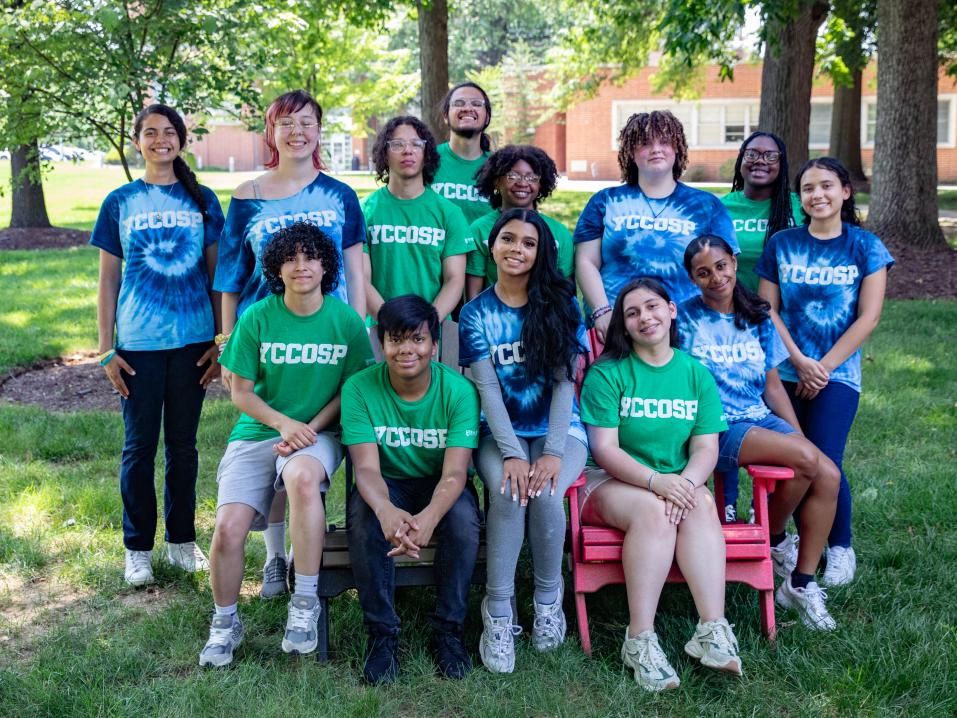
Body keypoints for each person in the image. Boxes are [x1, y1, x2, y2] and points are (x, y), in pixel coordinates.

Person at [213, 90, 367, 598]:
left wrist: (360, 328)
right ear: (271, 133)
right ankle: (275, 556)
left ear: (320, 131)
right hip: (268, 335)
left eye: (307, 122)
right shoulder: (248, 194)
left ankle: (301, 560)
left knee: (305, 446)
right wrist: (228, 336)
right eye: (287, 123)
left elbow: (356, 265)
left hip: (327, 337)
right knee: (270, 432)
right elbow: (232, 273)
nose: (297, 131)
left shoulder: (340, 194)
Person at [199, 222, 374, 667]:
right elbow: (239, 391)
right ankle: (225, 622)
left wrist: (307, 429)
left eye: (310, 256)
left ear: (325, 265)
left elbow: (351, 390)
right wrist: (283, 424)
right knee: (228, 530)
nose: (301, 266)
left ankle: (306, 603)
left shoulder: (346, 321)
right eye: (290, 258)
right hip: (259, 431)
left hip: (318, 435)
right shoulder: (257, 317)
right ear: (276, 266)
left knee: (300, 477)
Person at [579, 277, 741, 692]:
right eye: (632, 313)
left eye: (652, 307)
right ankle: (639, 639)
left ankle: (711, 628)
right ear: (624, 325)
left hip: (675, 481)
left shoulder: (694, 374)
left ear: (671, 310)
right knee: (654, 511)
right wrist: (658, 483)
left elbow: (706, 448)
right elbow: (605, 450)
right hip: (609, 483)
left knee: (701, 504)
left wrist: (683, 485)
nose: (644, 318)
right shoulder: (608, 373)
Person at [91, 103, 225, 587]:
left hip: (192, 343)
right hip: (138, 347)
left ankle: (182, 542)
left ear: (181, 141)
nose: (159, 140)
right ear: (137, 141)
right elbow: (108, 282)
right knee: (139, 448)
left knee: (184, 448)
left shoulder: (203, 198)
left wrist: (220, 341)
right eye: (150, 133)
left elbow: (218, 276)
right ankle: (138, 549)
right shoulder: (120, 201)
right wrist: (106, 348)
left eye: (168, 133)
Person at [680, 235, 841, 630]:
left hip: (758, 416)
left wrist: (797, 433)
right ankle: (771, 536)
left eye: (721, 266)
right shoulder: (683, 318)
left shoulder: (758, 314)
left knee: (827, 472)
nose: (715, 277)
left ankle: (799, 582)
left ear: (734, 262)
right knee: (805, 459)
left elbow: (771, 386)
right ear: (692, 278)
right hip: (714, 427)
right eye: (703, 273)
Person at [458, 209, 588, 673]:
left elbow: (562, 384)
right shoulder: (475, 314)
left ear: (541, 252)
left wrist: (552, 452)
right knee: (509, 494)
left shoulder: (561, 306)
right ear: (491, 246)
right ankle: (498, 612)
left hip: (560, 429)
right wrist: (513, 453)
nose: (517, 249)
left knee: (549, 495)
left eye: (528, 243)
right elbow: (487, 389)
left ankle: (549, 601)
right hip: (500, 430)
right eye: (507, 240)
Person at [757, 157, 893, 588]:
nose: (818, 195)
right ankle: (786, 541)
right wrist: (797, 359)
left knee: (826, 459)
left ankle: (839, 547)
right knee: (793, 461)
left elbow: (868, 318)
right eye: (809, 188)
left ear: (845, 192)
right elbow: (767, 310)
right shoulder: (782, 243)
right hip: (785, 372)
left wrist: (824, 368)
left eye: (827, 186)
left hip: (838, 376)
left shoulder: (865, 246)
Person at [342, 295, 481, 684]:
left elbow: (455, 473)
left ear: (434, 346)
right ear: (382, 343)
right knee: (365, 520)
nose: (407, 350)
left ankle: (448, 633)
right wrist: (387, 510)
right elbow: (366, 469)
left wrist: (429, 516)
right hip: (388, 483)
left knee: (462, 521)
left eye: (417, 340)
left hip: (440, 483)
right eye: (396, 339)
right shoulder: (359, 389)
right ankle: (382, 637)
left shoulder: (458, 391)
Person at [574, 110, 738, 342]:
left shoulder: (706, 205)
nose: (656, 149)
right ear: (631, 152)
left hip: (686, 328)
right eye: (645, 143)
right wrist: (602, 311)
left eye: (664, 142)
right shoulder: (605, 201)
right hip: (616, 325)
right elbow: (585, 261)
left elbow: (724, 270)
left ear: (677, 148)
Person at [362, 116, 473, 331]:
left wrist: (425, 325)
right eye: (397, 144)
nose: (407, 150)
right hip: (380, 331)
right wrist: (391, 324)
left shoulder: (449, 213)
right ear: (384, 153)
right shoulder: (364, 211)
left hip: (432, 332)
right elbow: (361, 279)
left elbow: (454, 280)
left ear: (427, 153)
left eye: (416, 144)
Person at [466, 145, 574, 300]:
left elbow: (567, 293)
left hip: (545, 319)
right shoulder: (479, 229)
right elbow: (472, 297)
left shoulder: (559, 232)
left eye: (532, 178)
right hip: (492, 320)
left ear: (541, 184)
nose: (523, 183)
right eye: (512, 176)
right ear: (497, 181)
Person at [721, 132, 803, 292]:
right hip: (734, 309)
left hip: (788, 311)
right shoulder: (719, 208)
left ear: (782, 164)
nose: (759, 160)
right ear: (741, 159)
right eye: (751, 154)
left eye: (770, 156)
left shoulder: (800, 205)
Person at [430, 81, 494, 225]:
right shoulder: (427, 160)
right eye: (459, 103)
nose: (467, 108)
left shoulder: (498, 167)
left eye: (476, 104)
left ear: (487, 117)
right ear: (446, 116)